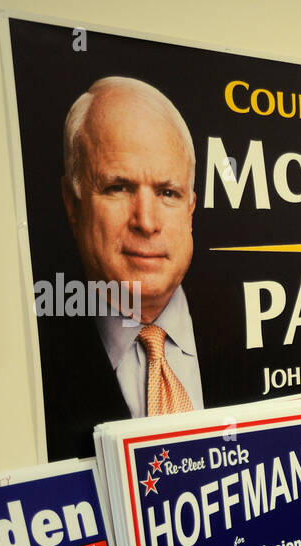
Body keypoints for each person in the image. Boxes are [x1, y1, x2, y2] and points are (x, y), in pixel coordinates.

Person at [40, 76, 202, 459]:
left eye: (168, 193)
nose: (146, 221)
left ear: (190, 210)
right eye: (118, 188)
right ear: (71, 202)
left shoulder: (249, 332)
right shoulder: (34, 359)